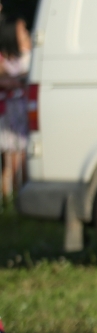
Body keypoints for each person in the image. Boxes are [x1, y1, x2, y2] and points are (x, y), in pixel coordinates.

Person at [0, 18, 30, 204]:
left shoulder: (25, 55)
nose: (26, 34)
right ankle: (14, 200)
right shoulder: (7, 60)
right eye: (22, 31)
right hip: (11, 113)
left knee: (19, 158)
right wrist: (18, 80)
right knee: (13, 159)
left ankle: (16, 200)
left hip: (17, 111)